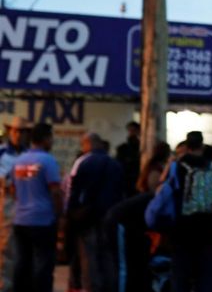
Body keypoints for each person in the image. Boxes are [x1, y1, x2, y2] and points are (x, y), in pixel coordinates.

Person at [170, 131, 212, 292]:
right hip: (210, 232)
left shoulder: (178, 166)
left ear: (187, 146)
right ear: (202, 145)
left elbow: (167, 193)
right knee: (207, 277)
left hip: (183, 230)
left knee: (181, 277)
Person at [8, 123, 62, 292]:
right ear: (46, 139)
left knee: (22, 262)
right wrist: (59, 215)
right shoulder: (48, 160)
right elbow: (56, 192)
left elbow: (12, 189)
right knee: (43, 264)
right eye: (51, 138)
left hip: (20, 220)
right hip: (42, 221)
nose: (52, 142)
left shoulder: (19, 161)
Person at [67, 132, 123, 292]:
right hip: (110, 216)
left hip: (88, 218)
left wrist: (71, 214)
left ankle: (93, 288)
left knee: (89, 258)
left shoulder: (84, 163)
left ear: (87, 144)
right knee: (108, 256)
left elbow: (74, 191)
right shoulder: (115, 164)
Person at [0, 116, 31, 291]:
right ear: (10, 131)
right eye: (15, 130)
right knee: (6, 251)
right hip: (6, 206)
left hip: (27, 207)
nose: (18, 135)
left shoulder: (31, 154)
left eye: (22, 131)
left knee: (23, 252)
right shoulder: (2, 152)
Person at [116, 121, 140, 198]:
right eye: (130, 130)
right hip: (127, 180)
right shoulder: (122, 148)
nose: (132, 133)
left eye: (134, 130)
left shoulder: (142, 147)